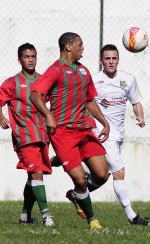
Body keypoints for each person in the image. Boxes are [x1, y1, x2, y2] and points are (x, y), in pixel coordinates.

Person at [29, 32, 110, 230]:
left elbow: (89, 100)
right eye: (80, 44)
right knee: (81, 179)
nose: (83, 48)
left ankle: (75, 195)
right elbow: (35, 95)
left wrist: (104, 122)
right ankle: (93, 220)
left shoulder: (84, 71)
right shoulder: (55, 70)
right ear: (68, 47)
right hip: (63, 133)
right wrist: (48, 115)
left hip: (84, 129)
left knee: (102, 174)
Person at [87, 44, 149, 226]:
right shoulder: (94, 80)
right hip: (103, 133)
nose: (111, 62)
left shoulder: (128, 79)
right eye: (107, 59)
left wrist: (140, 116)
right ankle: (132, 216)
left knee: (102, 173)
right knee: (119, 172)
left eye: (114, 58)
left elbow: (135, 101)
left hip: (119, 134)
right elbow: (85, 103)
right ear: (101, 61)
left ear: (118, 60)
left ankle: (79, 192)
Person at [0, 43, 54, 227]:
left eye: (33, 56)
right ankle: (46, 215)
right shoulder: (11, 82)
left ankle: (25, 216)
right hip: (24, 135)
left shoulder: (44, 80)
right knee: (36, 173)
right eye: (27, 57)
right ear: (19, 59)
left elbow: (54, 102)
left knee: (33, 175)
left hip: (42, 133)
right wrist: (1, 116)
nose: (31, 60)